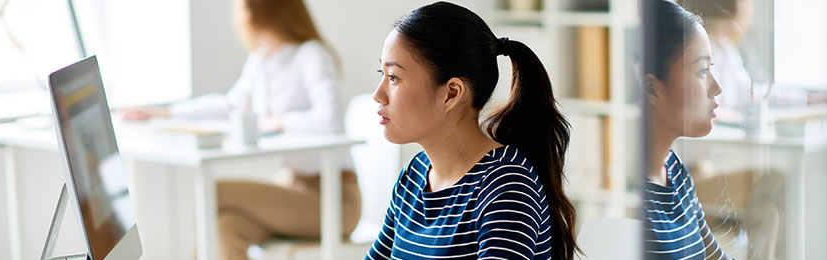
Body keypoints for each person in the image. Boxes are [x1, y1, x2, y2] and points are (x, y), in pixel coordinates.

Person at [120, 0, 360, 259]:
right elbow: (229, 105)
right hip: (294, 186)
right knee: (226, 227)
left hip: (335, 201)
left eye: (242, 10)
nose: (238, 19)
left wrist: (278, 121)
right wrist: (166, 113)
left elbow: (330, 122)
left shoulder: (312, 54)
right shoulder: (262, 59)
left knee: (214, 192)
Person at [364, 2, 577, 259]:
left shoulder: (506, 185)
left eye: (394, 77)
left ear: (451, 93)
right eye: (382, 73)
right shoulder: (413, 177)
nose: (378, 95)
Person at [642, 0, 729, 259]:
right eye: (702, 70)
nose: (716, 88)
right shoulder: (630, 199)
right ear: (652, 89)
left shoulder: (676, 173)